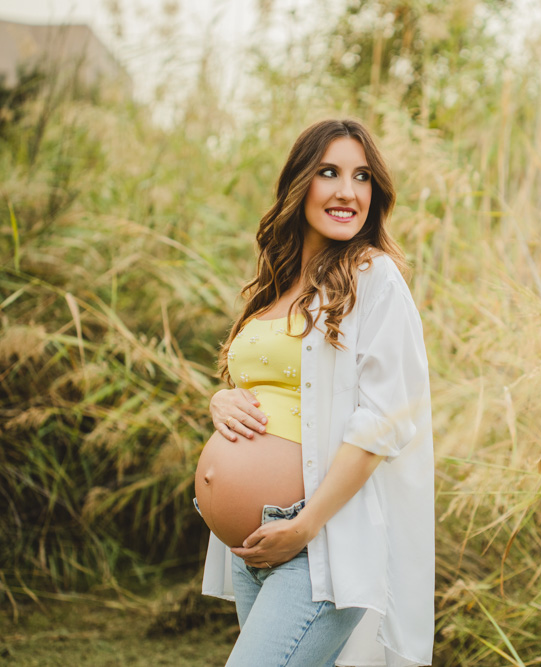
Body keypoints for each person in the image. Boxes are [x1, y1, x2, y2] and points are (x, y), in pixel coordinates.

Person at [196, 118, 435, 666]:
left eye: (362, 177)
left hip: (317, 541)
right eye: (329, 172)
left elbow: (384, 422)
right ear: (300, 181)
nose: (348, 191)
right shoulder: (277, 283)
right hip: (253, 547)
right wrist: (221, 399)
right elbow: (276, 385)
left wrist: (302, 526)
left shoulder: (374, 277)